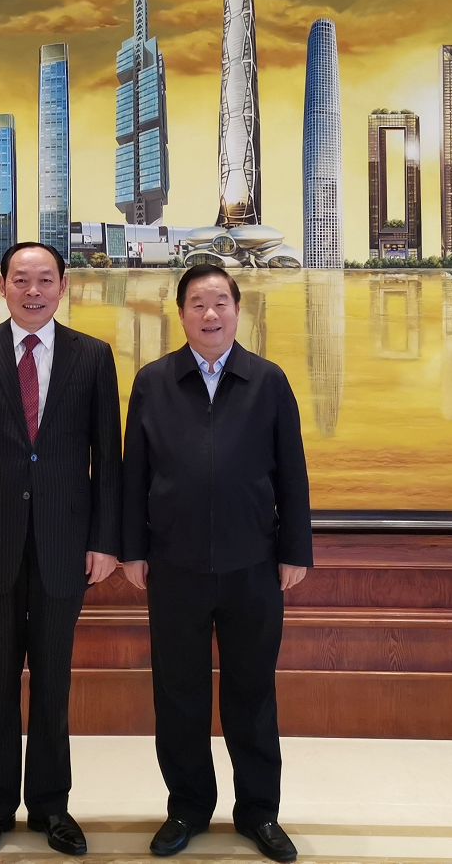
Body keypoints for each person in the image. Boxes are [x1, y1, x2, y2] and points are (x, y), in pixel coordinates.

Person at [0, 242, 123, 860]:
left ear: (64, 286)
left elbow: (109, 459)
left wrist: (105, 541)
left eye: (45, 279)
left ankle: (50, 805)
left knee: (53, 681)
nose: (33, 290)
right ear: (2, 286)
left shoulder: (93, 356)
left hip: (66, 544)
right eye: (21, 279)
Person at [122, 263, 312, 864]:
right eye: (198, 304)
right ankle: (188, 807)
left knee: (251, 693)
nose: (210, 314)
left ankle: (259, 812)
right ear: (180, 314)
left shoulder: (268, 380)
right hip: (173, 564)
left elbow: (292, 471)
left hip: (253, 562)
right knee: (178, 693)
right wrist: (132, 548)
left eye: (221, 303)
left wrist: (295, 549)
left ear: (237, 310)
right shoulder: (154, 382)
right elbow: (134, 474)